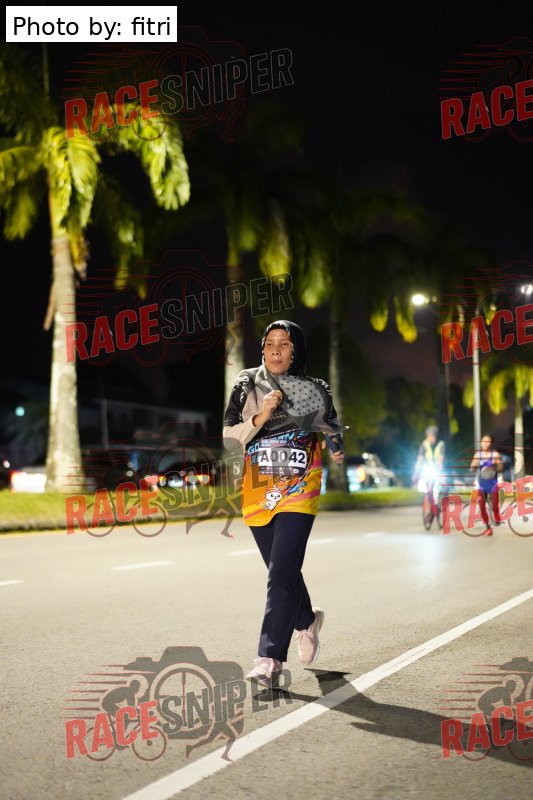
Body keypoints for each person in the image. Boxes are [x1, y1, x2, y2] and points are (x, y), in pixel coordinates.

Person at [223, 320, 345, 687]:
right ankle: (306, 619)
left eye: (285, 344)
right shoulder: (246, 383)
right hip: (258, 490)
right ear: (262, 349)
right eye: (269, 343)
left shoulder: (314, 387)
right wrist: (261, 415)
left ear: (296, 351)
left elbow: (331, 425)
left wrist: (337, 448)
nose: (275, 350)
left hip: (300, 485)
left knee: (280, 572)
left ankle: (269, 657)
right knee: (283, 569)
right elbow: (230, 437)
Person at [470, 434, 502, 536]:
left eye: (487, 441)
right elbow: (472, 467)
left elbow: (501, 468)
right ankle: (488, 528)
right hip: (481, 484)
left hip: (493, 483)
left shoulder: (495, 454)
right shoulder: (478, 455)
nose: (485, 443)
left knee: (495, 505)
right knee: (481, 506)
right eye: (483, 441)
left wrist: (494, 465)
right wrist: (475, 465)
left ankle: (496, 514)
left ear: (491, 443)